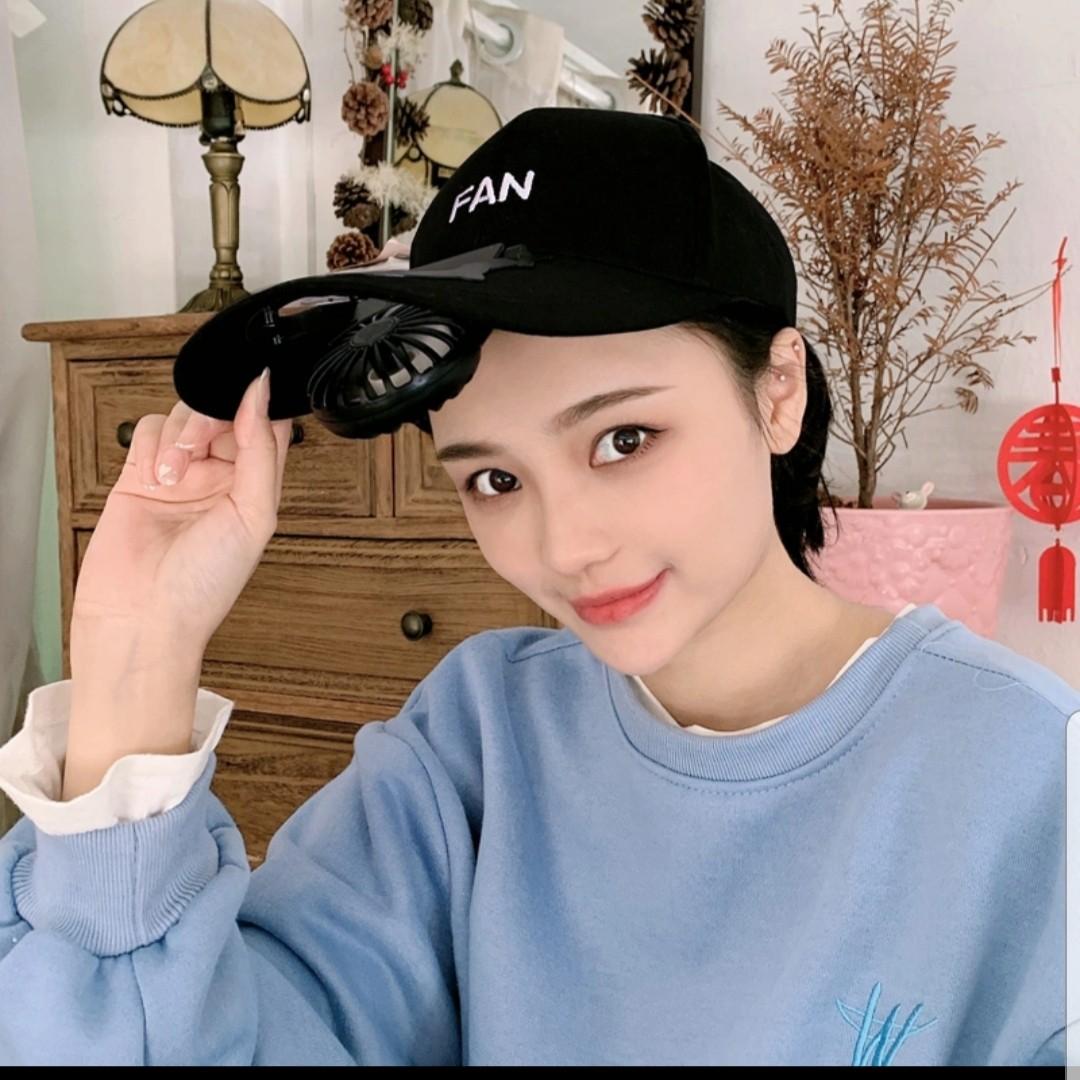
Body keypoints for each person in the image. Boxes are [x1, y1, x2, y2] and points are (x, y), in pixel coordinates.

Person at [0, 107, 1074, 1066]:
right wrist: (139, 655)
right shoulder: (478, 738)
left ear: (779, 390)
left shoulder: (1029, 780)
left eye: (624, 438)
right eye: (496, 479)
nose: (565, 546)